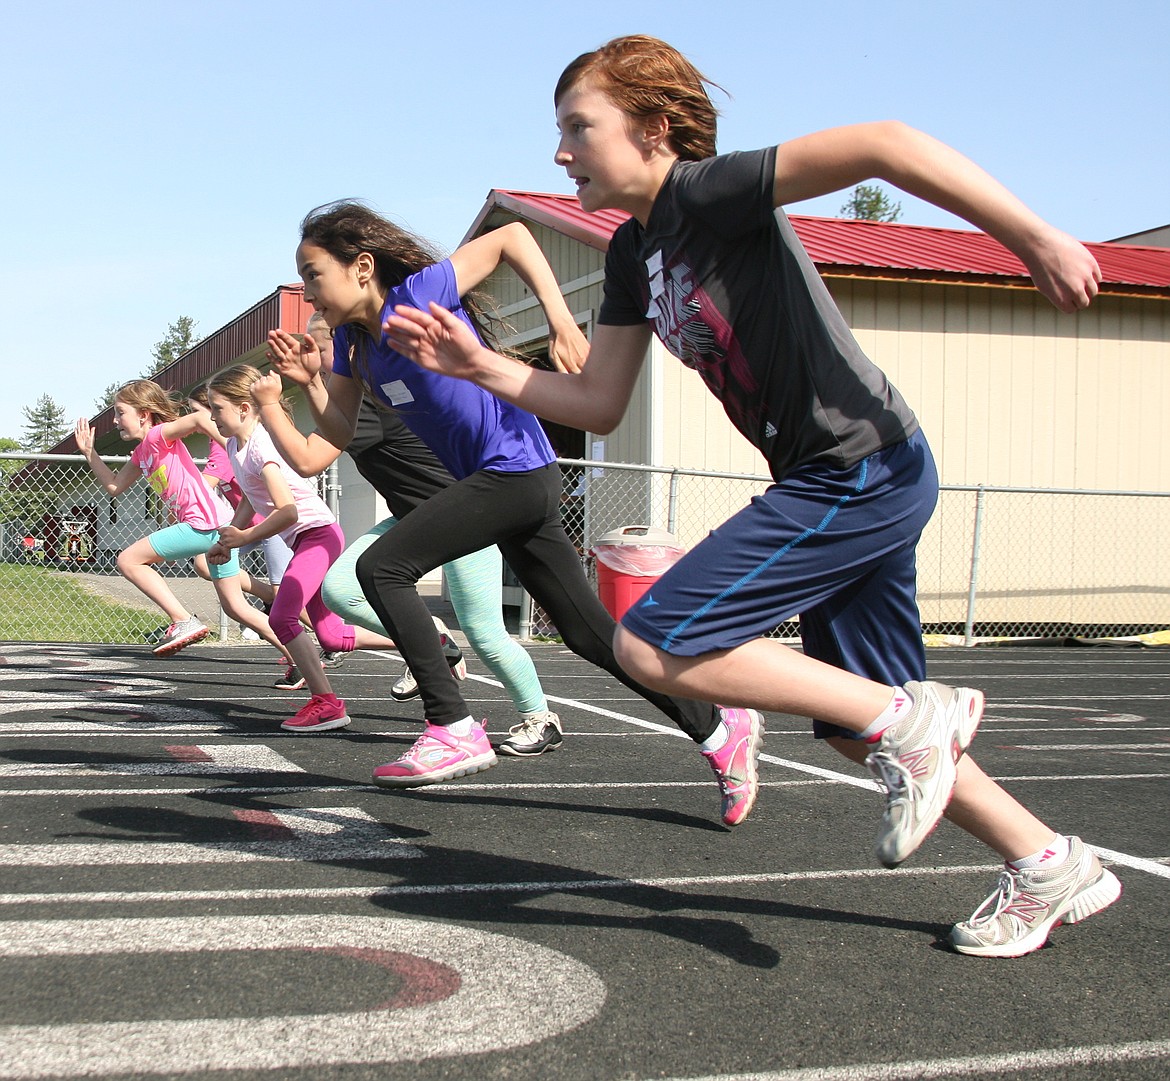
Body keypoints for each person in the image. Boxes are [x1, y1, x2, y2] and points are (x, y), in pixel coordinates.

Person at [380, 35, 1122, 957]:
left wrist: (1035, 236)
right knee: (858, 724)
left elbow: (890, 142)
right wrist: (482, 363)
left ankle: (918, 719)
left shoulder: (704, 193)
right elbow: (599, 402)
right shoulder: (634, 254)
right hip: (840, 476)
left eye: (578, 127)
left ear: (653, 130)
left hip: (858, 464)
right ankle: (1047, 860)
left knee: (654, 641)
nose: (560, 152)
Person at [268, 205, 762, 820]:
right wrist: (308, 383)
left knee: (380, 568)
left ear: (362, 268)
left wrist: (559, 320)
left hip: (517, 469)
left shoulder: (418, 295)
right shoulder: (351, 345)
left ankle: (452, 724)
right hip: (499, 483)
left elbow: (511, 236)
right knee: (590, 636)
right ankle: (719, 728)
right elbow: (338, 432)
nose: (308, 292)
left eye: (313, 275)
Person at [260, 312, 563, 757]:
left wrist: (269, 402)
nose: (315, 361)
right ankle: (435, 640)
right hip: (413, 517)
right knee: (342, 587)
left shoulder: (366, 401)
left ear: (344, 351)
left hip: (462, 514)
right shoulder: (347, 399)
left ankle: (540, 717)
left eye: (319, 349)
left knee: (484, 634)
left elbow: (309, 458)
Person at [204, 364, 398, 732]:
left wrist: (244, 538)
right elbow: (249, 494)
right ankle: (427, 644)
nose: (213, 417)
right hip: (304, 539)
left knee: (281, 616)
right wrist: (231, 534)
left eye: (217, 408)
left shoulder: (263, 444)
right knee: (331, 636)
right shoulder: (233, 445)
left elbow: (286, 509)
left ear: (244, 408)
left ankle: (327, 703)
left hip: (319, 535)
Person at [73, 380, 286, 659]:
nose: (115, 420)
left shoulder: (157, 435)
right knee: (236, 608)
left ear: (143, 414)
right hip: (217, 528)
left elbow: (199, 418)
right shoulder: (142, 453)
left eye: (120, 412)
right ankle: (297, 658)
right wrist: (90, 454)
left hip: (205, 525)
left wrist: (236, 450)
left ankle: (183, 619)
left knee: (127, 560)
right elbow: (114, 486)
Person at [185, 386, 306, 683]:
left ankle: (327, 639)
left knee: (286, 600)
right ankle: (271, 601)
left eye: (201, 411)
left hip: (275, 523)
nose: (205, 418)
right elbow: (245, 496)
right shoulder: (229, 445)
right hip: (250, 524)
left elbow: (204, 487)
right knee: (205, 563)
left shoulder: (233, 446)